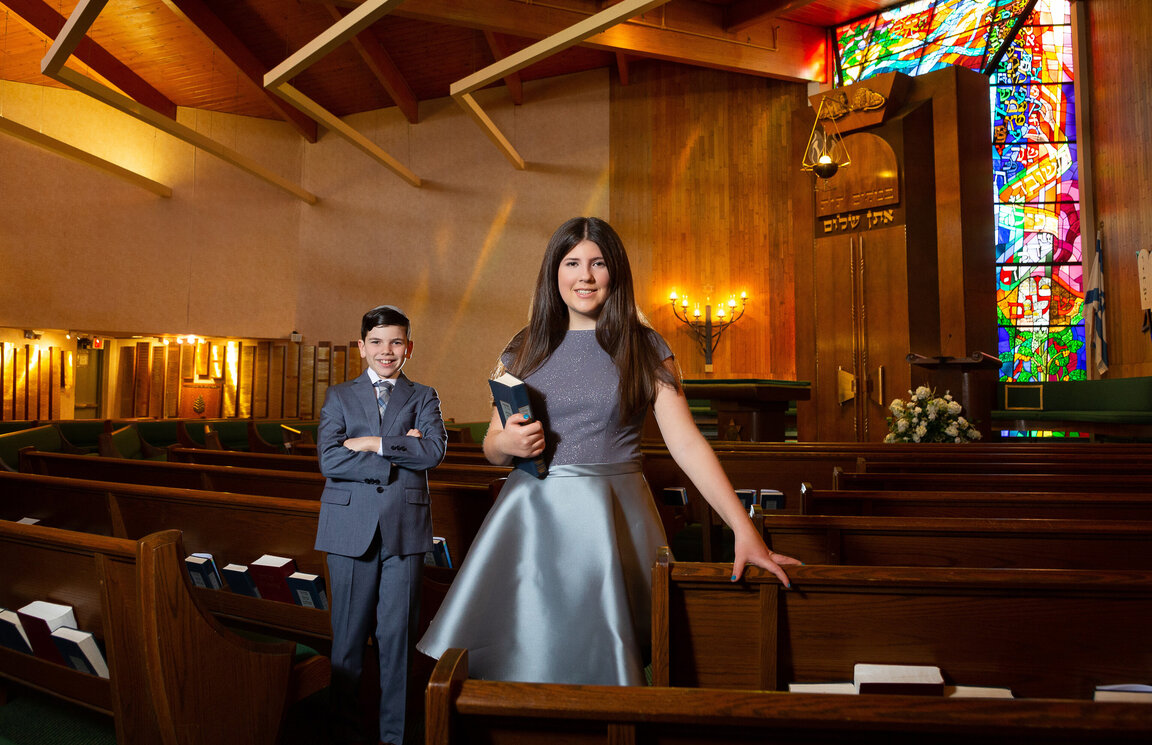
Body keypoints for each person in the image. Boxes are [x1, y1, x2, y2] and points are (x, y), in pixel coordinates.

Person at [417, 217, 795, 685]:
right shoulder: (522, 345)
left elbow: (687, 444)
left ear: (615, 271)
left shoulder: (644, 344)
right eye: (572, 262)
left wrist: (743, 528)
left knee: (610, 660)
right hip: (531, 514)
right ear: (554, 272)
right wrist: (506, 443)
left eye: (598, 263)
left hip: (612, 513)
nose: (585, 276)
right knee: (529, 654)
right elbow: (493, 445)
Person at [315, 305, 447, 744]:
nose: (386, 351)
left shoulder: (424, 396)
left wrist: (373, 443)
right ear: (361, 347)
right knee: (348, 644)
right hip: (349, 529)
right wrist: (398, 451)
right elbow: (329, 458)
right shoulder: (339, 395)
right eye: (376, 342)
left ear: (408, 348)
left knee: (397, 644)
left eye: (395, 342)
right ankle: (343, 734)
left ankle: (396, 738)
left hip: (404, 530)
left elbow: (431, 453)